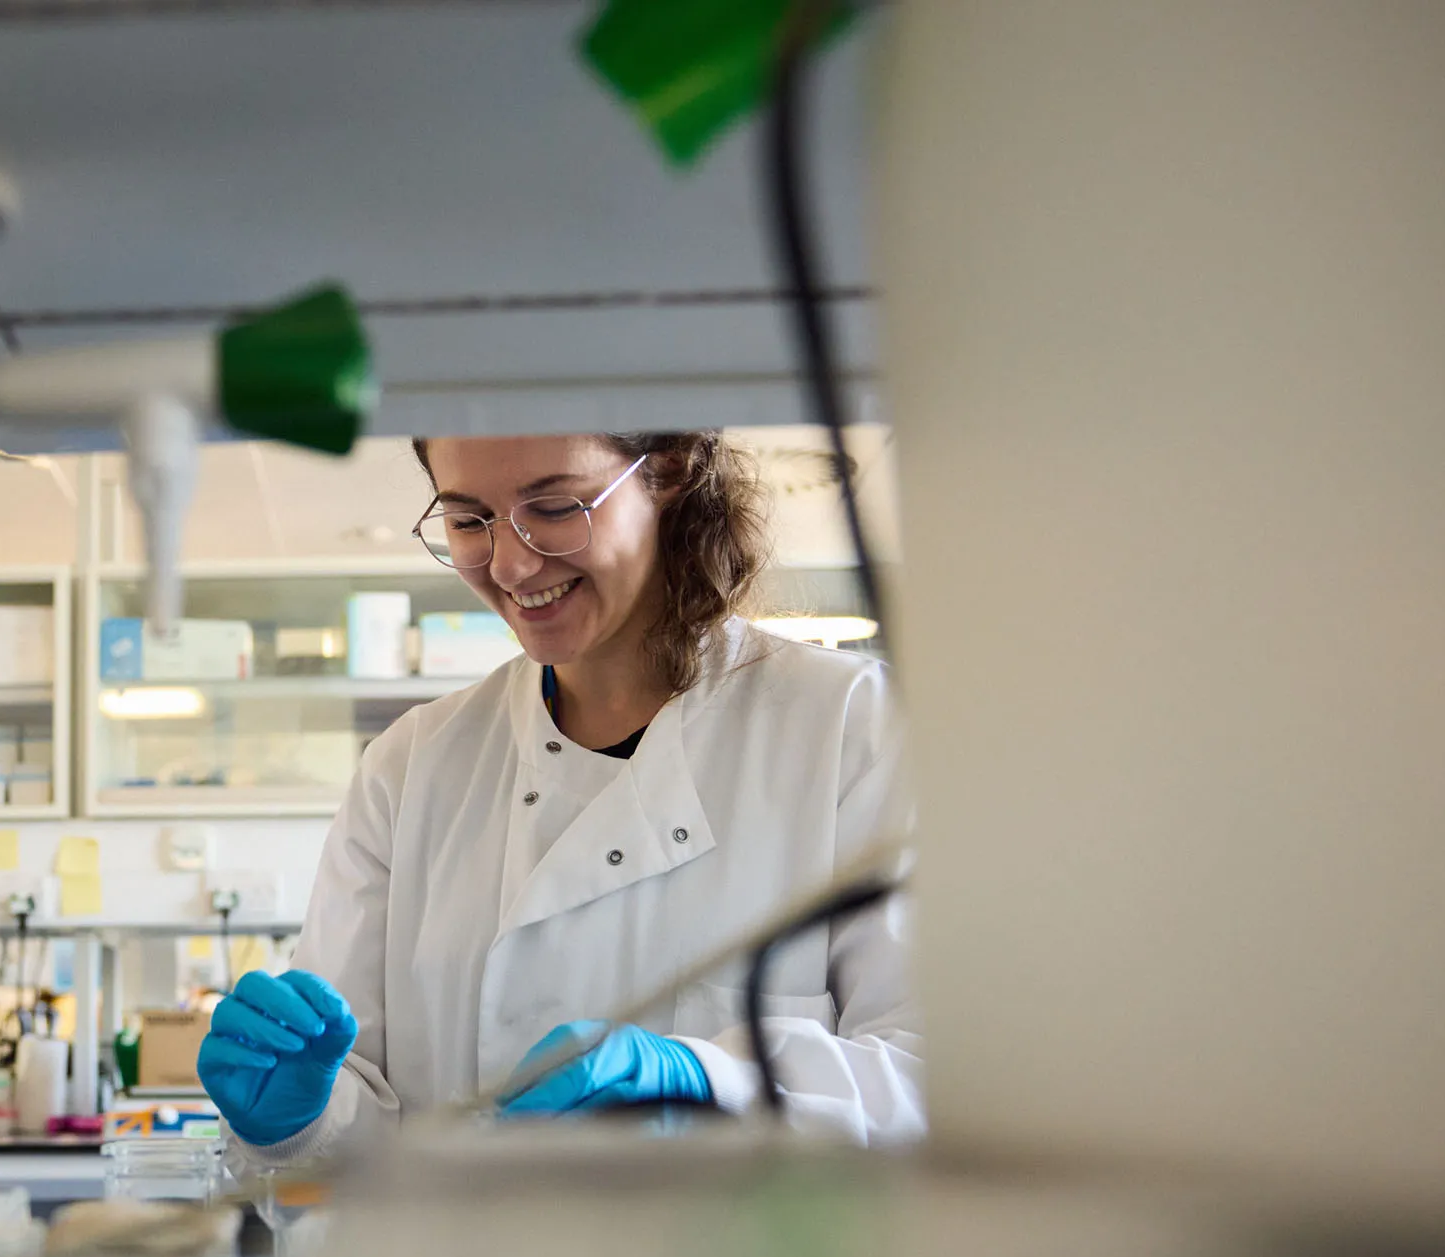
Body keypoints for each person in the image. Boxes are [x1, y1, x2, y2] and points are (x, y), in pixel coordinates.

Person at [198, 431, 920, 1164]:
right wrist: (300, 1121)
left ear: (667, 471)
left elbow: (940, 1080)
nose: (509, 563)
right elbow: (365, 1138)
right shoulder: (409, 768)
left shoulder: (853, 728)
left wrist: (707, 1085)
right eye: (468, 519)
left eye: (553, 506)